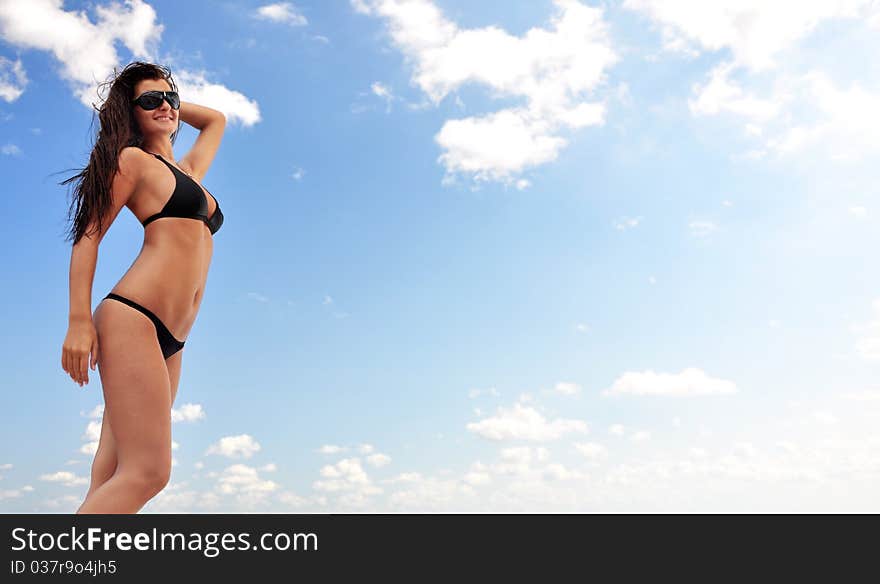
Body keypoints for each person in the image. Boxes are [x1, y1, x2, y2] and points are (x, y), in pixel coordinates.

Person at [59, 61, 227, 513]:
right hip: (134, 317)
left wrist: (165, 102)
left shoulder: (189, 170)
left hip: (173, 339)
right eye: (150, 101)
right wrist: (78, 322)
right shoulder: (132, 162)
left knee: (111, 471)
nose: (166, 107)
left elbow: (216, 120)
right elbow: (88, 237)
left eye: (170, 99)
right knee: (149, 472)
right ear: (129, 113)